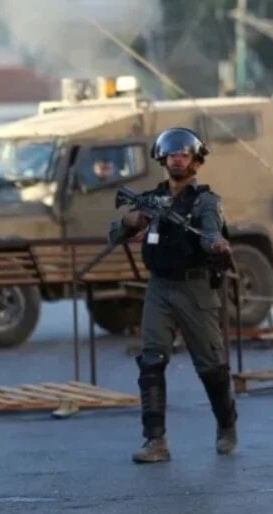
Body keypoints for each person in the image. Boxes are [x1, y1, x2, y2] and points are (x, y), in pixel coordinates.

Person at [108, 127, 238, 464]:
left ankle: (226, 426)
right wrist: (132, 220)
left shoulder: (206, 201)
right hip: (159, 287)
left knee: (211, 365)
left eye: (184, 154)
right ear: (162, 159)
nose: (177, 159)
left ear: (196, 161)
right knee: (151, 362)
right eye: (171, 154)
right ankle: (155, 441)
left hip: (195, 290)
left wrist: (216, 243)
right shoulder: (150, 199)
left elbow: (210, 230)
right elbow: (114, 234)